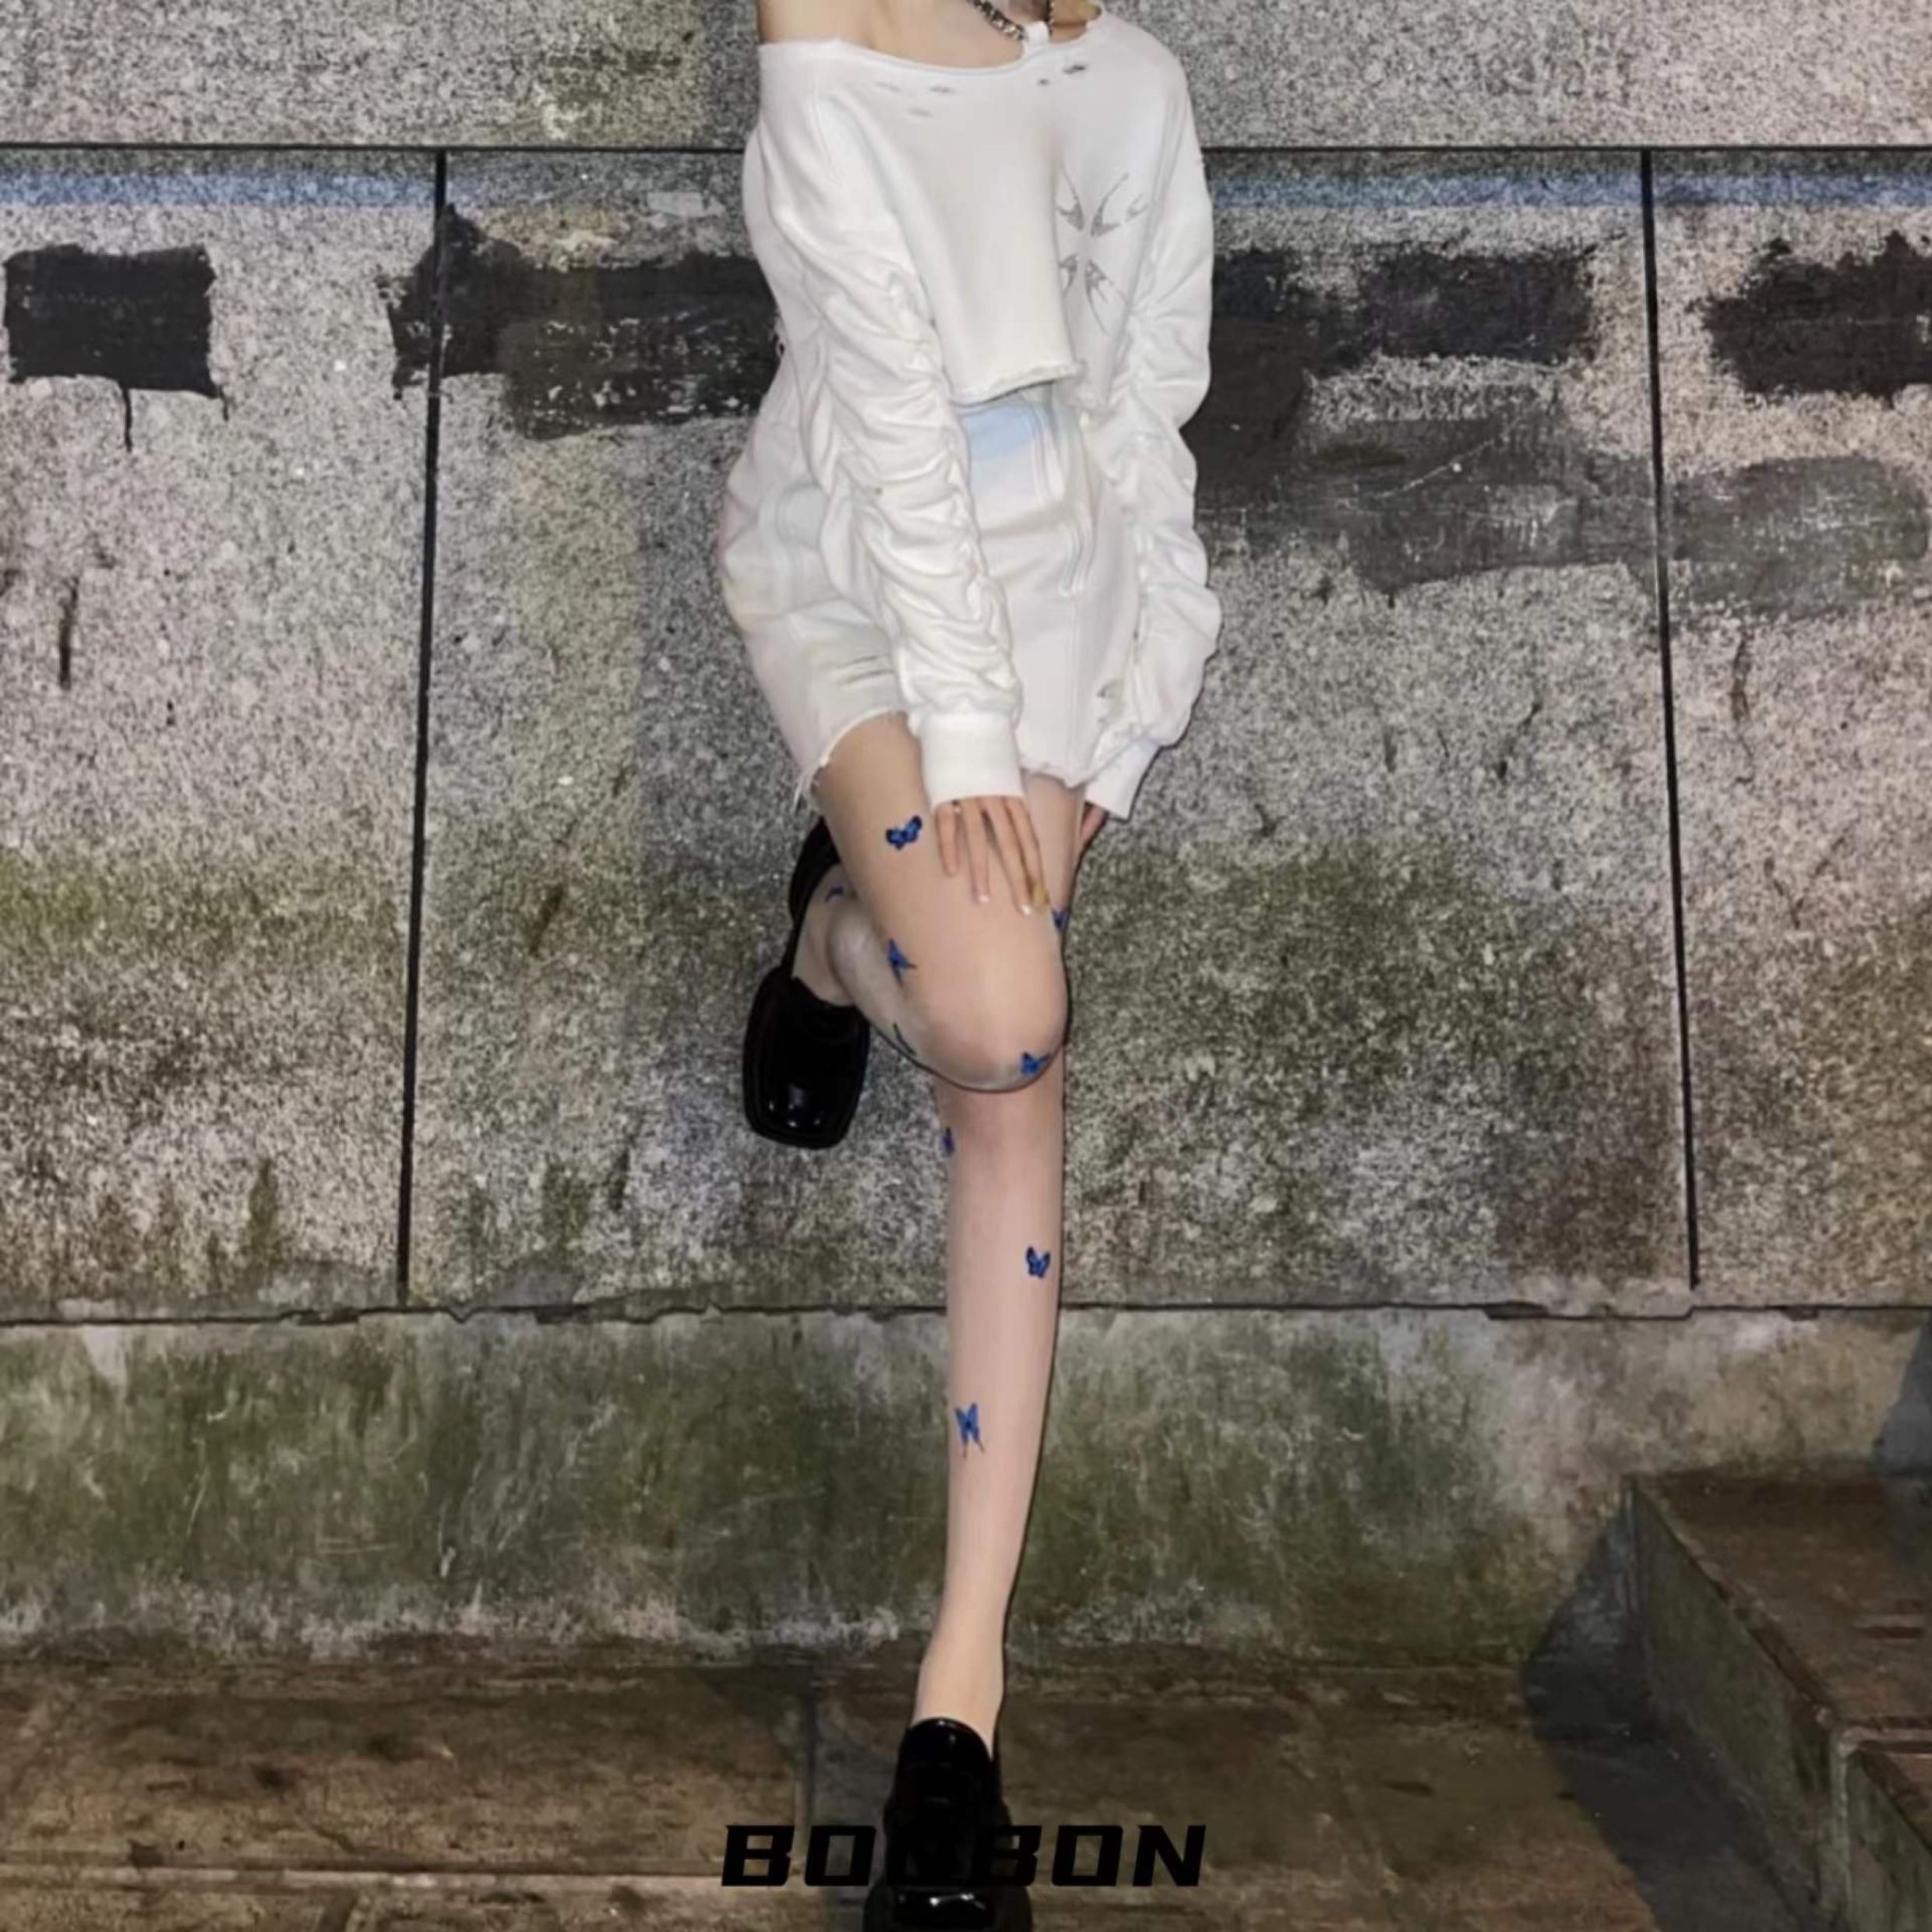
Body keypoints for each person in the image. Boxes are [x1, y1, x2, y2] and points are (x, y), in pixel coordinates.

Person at [714, 0, 1222, 1920]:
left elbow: (1146, 423)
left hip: (1058, 596)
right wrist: (977, 748)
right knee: (998, 1010)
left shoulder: (1136, 85)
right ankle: (844, 934)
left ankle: (959, 1715)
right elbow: (896, 425)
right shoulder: (823, 46)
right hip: (859, 562)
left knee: (1013, 1069)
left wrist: (1113, 731)